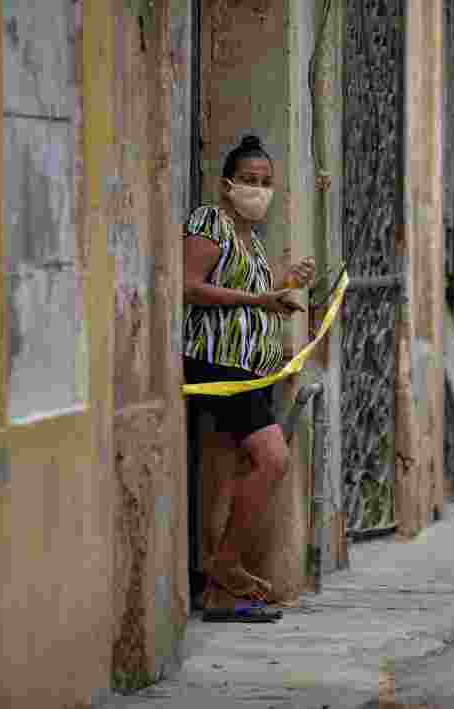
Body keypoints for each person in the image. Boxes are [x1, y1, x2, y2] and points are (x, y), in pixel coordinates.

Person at [183, 135, 315, 613]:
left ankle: (218, 595)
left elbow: (255, 299)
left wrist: (286, 285)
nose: (259, 190)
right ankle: (226, 563)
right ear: (227, 185)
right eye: (249, 181)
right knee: (272, 459)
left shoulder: (252, 242)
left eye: (266, 182)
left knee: (226, 472)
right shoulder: (209, 222)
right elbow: (190, 287)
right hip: (219, 365)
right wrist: (260, 300)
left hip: (248, 369)